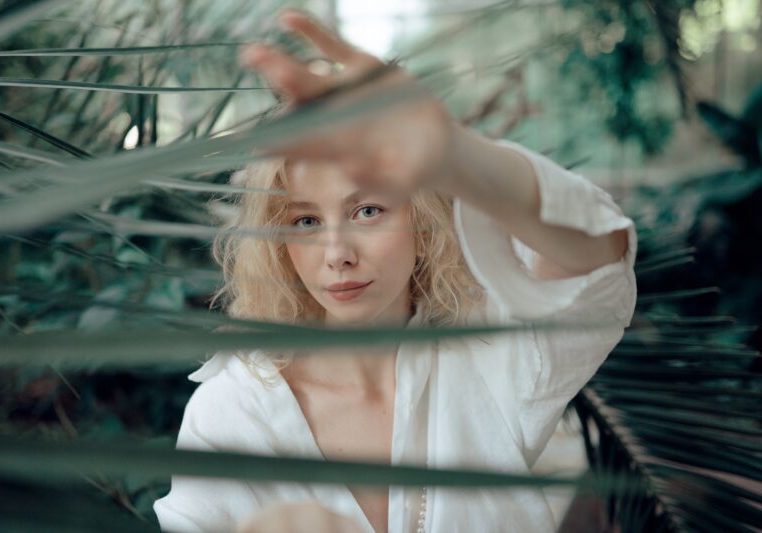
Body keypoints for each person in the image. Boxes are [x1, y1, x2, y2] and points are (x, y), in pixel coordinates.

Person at [153, 8, 637, 533]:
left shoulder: (487, 359)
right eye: (306, 220)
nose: (337, 252)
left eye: (368, 210)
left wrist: (458, 157)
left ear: (422, 217)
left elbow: (597, 258)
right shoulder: (231, 415)